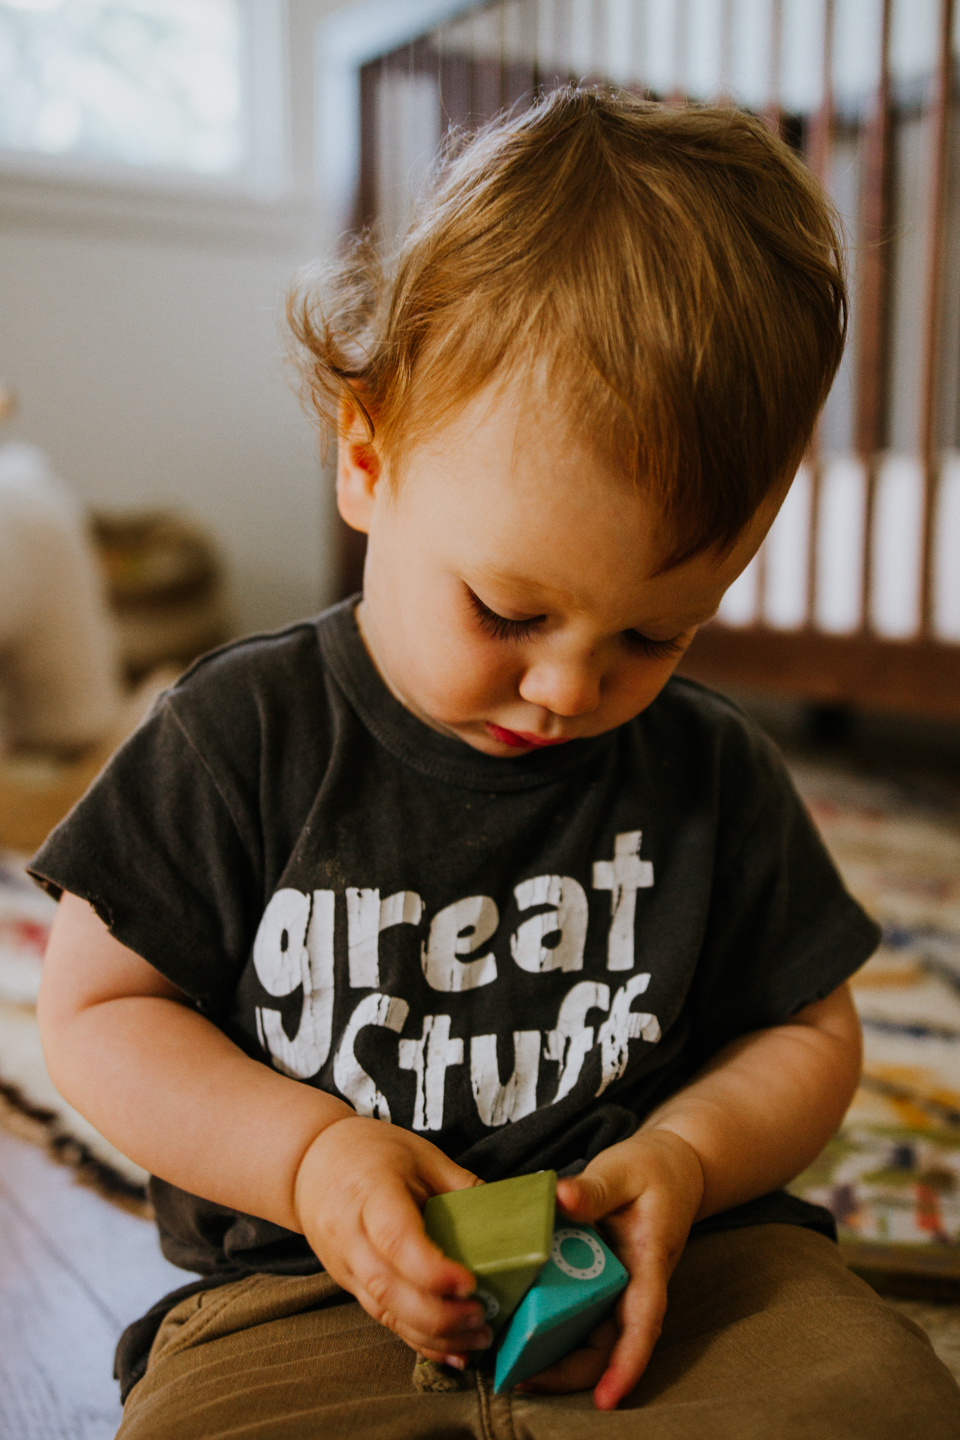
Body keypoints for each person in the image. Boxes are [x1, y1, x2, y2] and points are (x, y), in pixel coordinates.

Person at [32, 90, 960, 1439]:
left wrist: (689, 1158)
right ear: (368, 456)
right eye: (509, 612)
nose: (572, 687)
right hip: (309, 1286)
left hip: (678, 1271)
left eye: (655, 631)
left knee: (887, 1398)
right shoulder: (237, 737)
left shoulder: (711, 771)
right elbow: (99, 1012)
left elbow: (807, 1029)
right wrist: (306, 1157)